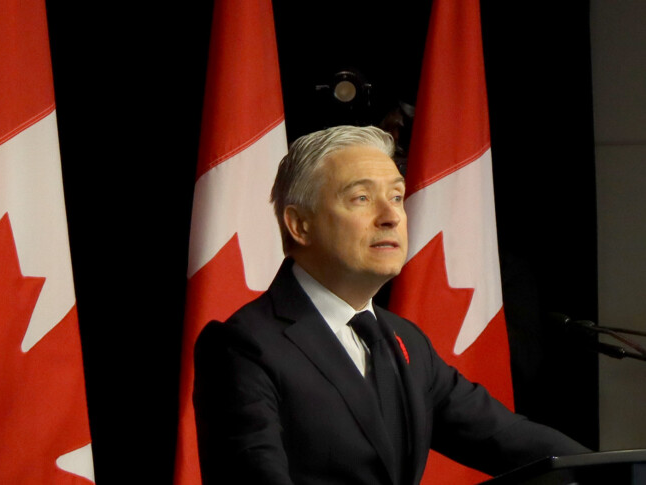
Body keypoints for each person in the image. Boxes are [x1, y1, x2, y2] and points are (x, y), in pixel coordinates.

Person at [192, 125, 589, 485]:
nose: (391, 217)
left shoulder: (406, 341)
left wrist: (614, 471)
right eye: (361, 197)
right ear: (300, 225)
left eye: (396, 196)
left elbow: (508, 439)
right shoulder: (244, 346)